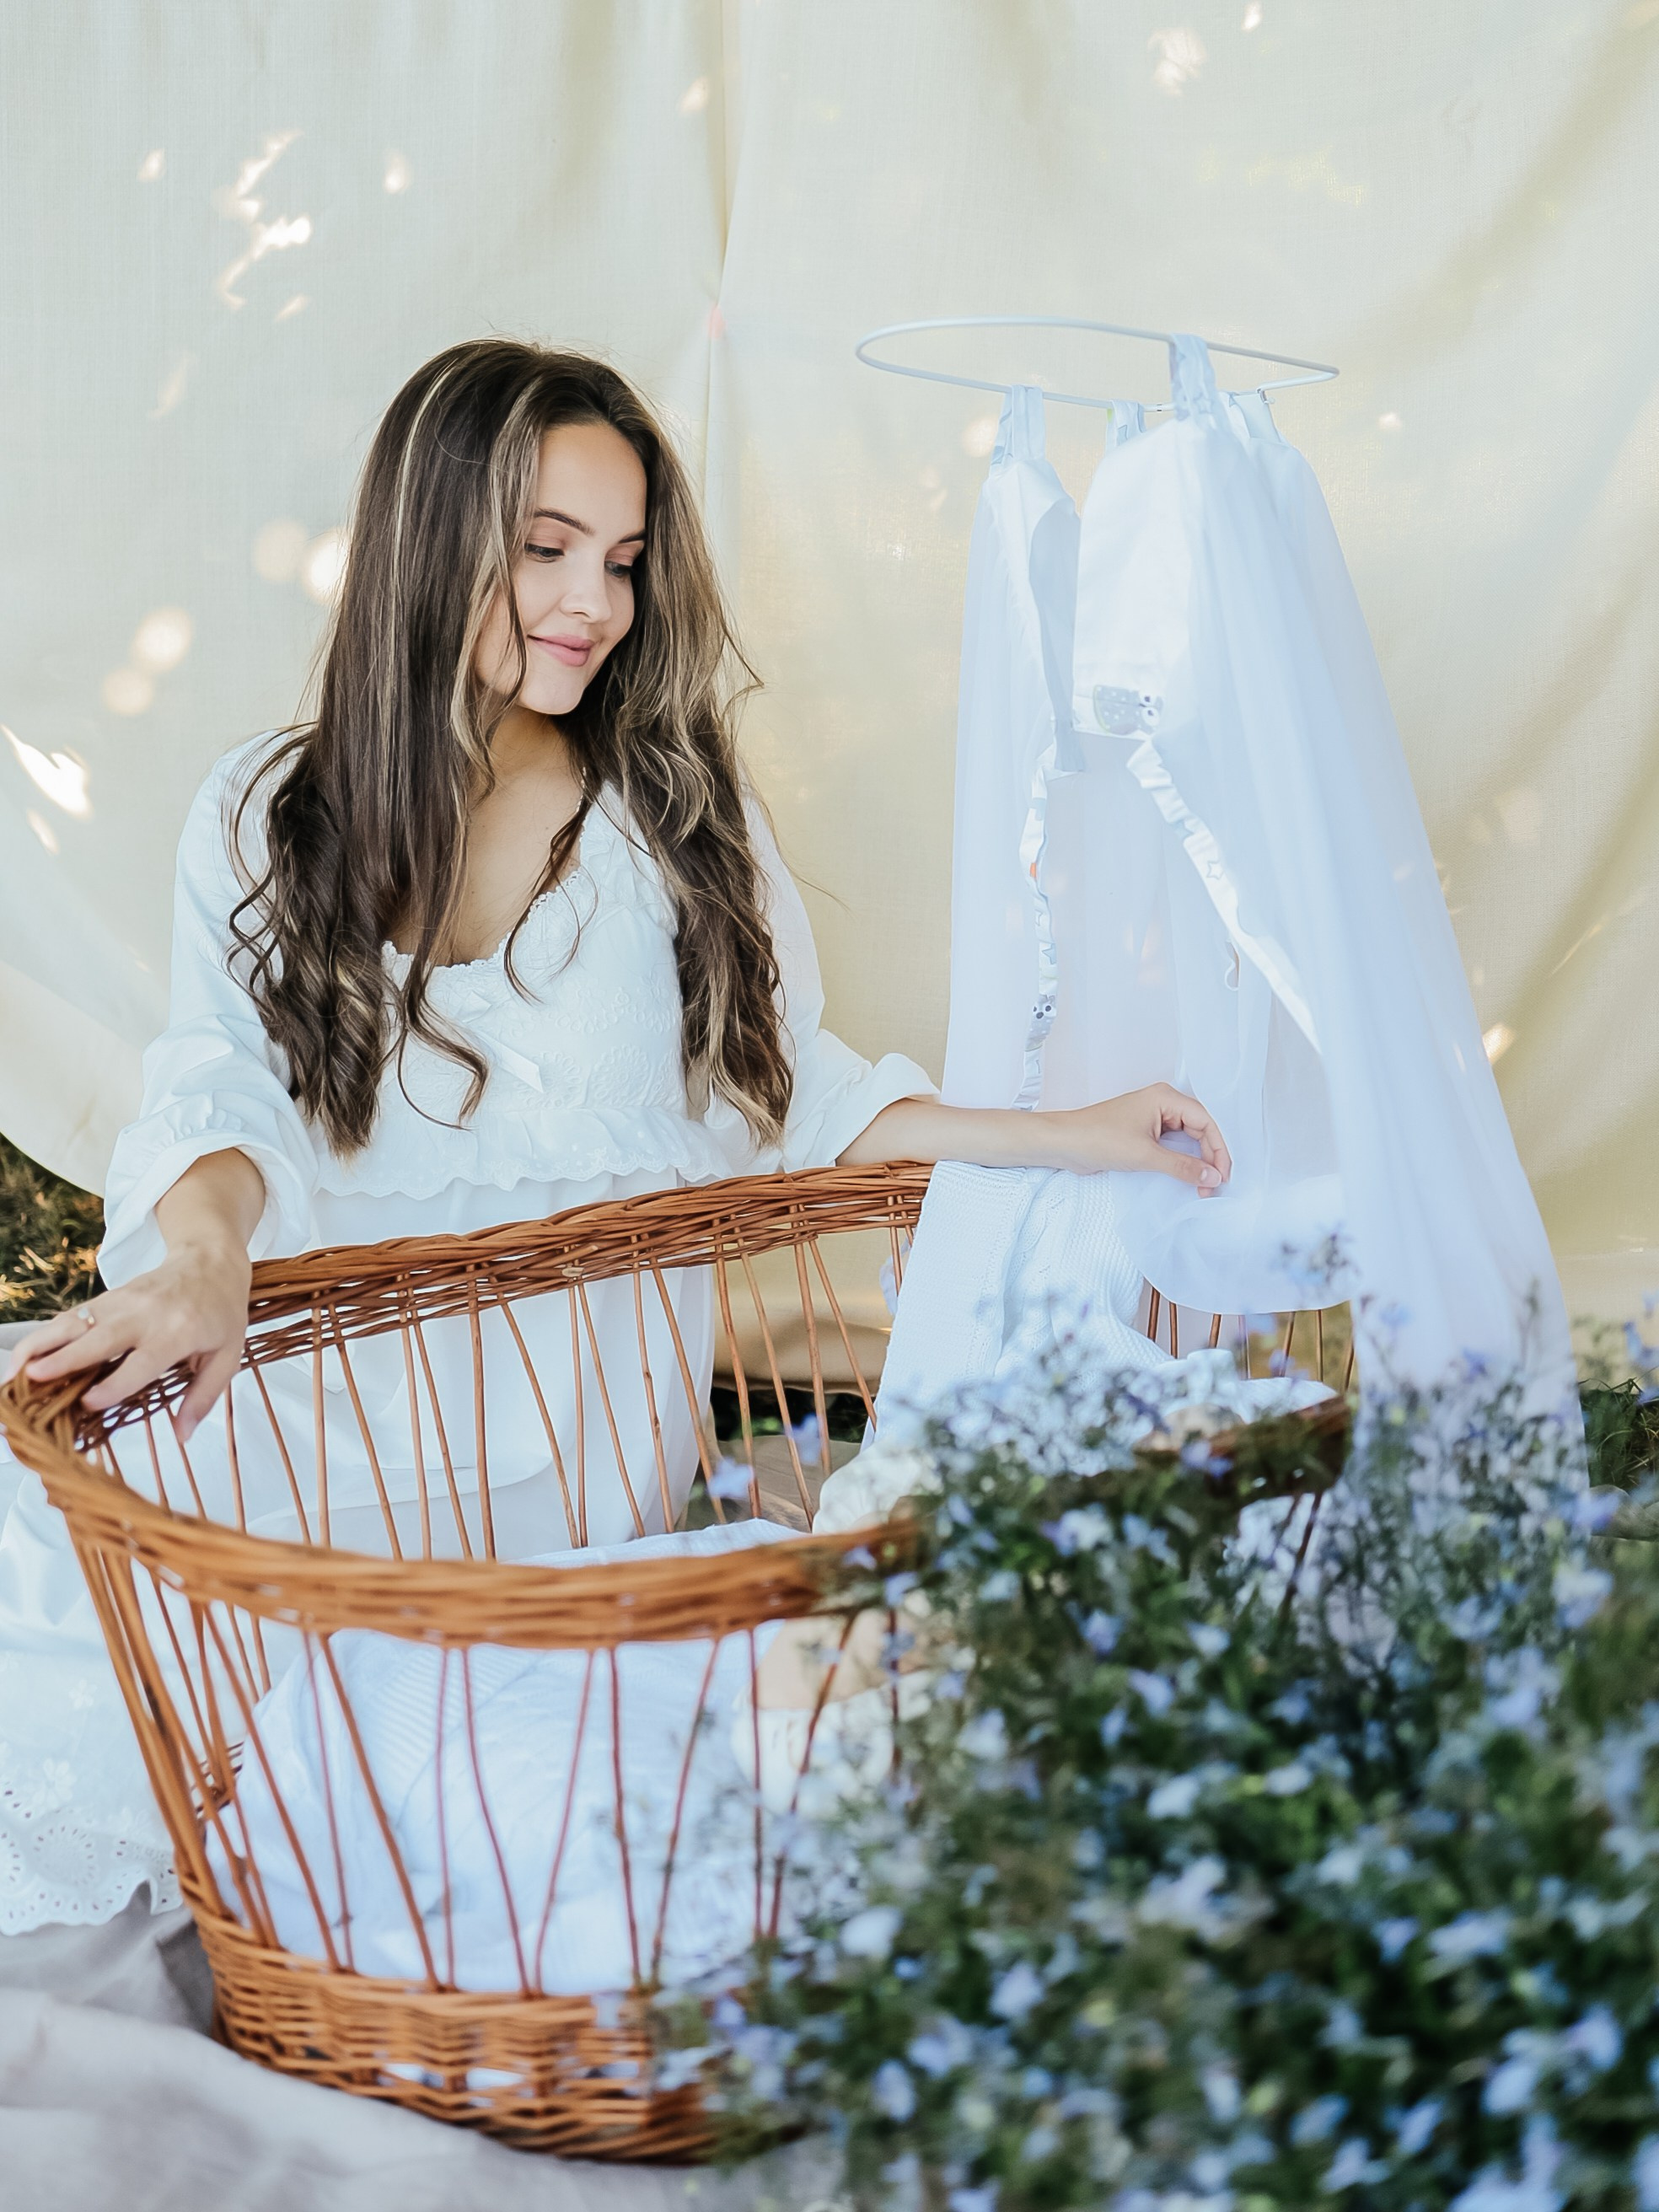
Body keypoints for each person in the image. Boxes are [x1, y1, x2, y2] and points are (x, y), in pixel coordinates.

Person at [0, 338, 1229, 1933]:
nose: (596, 603)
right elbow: (222, 1089)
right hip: (297, 1395)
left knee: (423, 1761)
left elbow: (797, 1102)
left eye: (627, 560)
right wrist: (201, 1262)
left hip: (545, 1446)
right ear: (432, 541)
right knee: (90, 1612)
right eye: (547, 548)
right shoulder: (265, 812)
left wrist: (1067, 1133)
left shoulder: (671, 825)